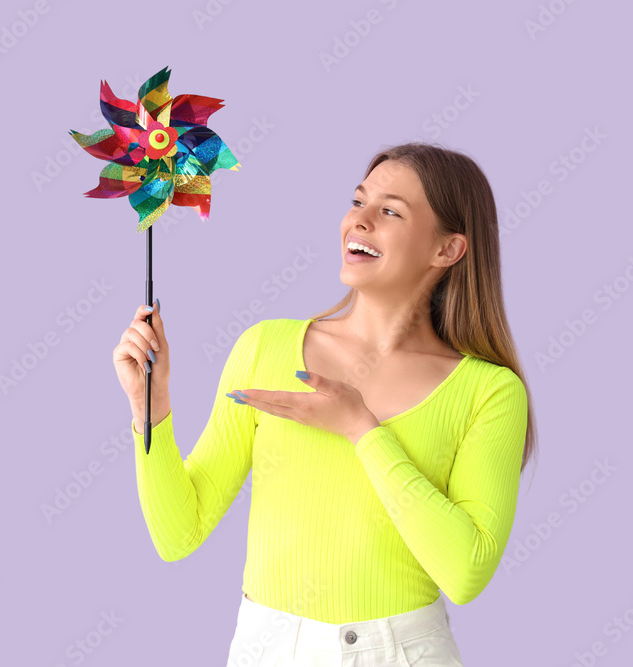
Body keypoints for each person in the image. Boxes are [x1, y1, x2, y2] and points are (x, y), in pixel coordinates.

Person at [112, 142, 538, 666]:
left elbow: (466, 572)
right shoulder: (265, 347)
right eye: (358, 202)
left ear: (446, 250)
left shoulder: (489, 392)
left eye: (389, 211)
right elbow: (181, 532)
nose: (358, 221)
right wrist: (150, 412)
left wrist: (364, 431)